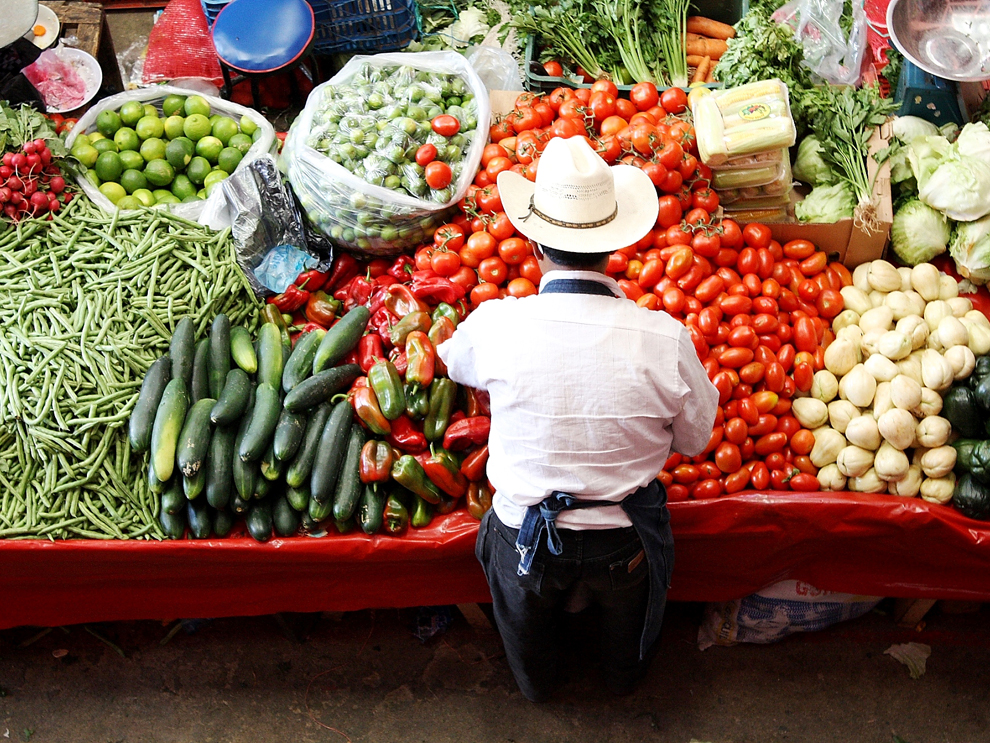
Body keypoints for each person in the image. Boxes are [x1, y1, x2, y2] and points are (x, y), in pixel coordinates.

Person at [436, 136, 719, 702]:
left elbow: (454, 362)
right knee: (625, 644)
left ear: (535, 244)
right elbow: (694, 439)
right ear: (614, 249)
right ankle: (621, 684)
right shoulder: (664, 337)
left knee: (528, 644)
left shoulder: (497, 325)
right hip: (624, 537)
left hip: (523, 533)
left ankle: (540, 691)